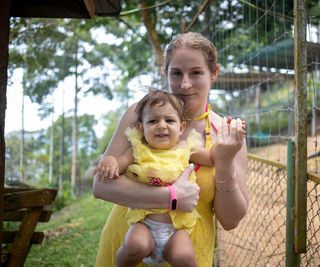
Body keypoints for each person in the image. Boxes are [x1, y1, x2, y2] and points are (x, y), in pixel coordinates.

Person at [93, 32, 249, 267]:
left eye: (196, 73)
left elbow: (230, 220)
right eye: (176, 73)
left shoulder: (224, 134)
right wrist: (170, 198)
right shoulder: (141, 115)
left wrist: (225, 163)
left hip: (187, 253)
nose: (185, 84)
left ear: (214, 73)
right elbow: (101, 185)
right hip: (129, 245)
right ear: (165, 73)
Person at [94, 90, 213, 267]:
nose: (162, 126)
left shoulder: (186, 149)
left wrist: (230, 145)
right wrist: (110, 160)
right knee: (135, 246)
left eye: (169, 120)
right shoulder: (138, 150)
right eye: (153, 121)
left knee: (184, 257)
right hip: (145, 224)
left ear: (181, 128)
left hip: (176, 229)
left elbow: (212, 158)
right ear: (141, 128)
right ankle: (121, 261)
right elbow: (118, 165)